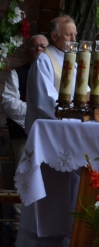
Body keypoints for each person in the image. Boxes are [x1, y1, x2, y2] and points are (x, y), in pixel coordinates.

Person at [16, 16, 81, 247]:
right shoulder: (45, 61)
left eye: (75, 35)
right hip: (52, 140)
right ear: (54, 37)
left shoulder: (75, 62)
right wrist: (77, 120)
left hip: (72, 138)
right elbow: (47, 102)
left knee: (68, 194)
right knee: (49, 197)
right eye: (68, 35)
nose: (74, 40)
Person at [1, 34, 49, 179]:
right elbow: (9, 104)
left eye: (42, 46)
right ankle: (18, 203)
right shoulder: (17, 73)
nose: (38, 48)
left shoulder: (54, 74)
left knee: (46, 176)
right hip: (22, 135)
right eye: (34, 45)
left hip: (49, 135)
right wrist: (38, 112)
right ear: (28, 50)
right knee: (24, 177)